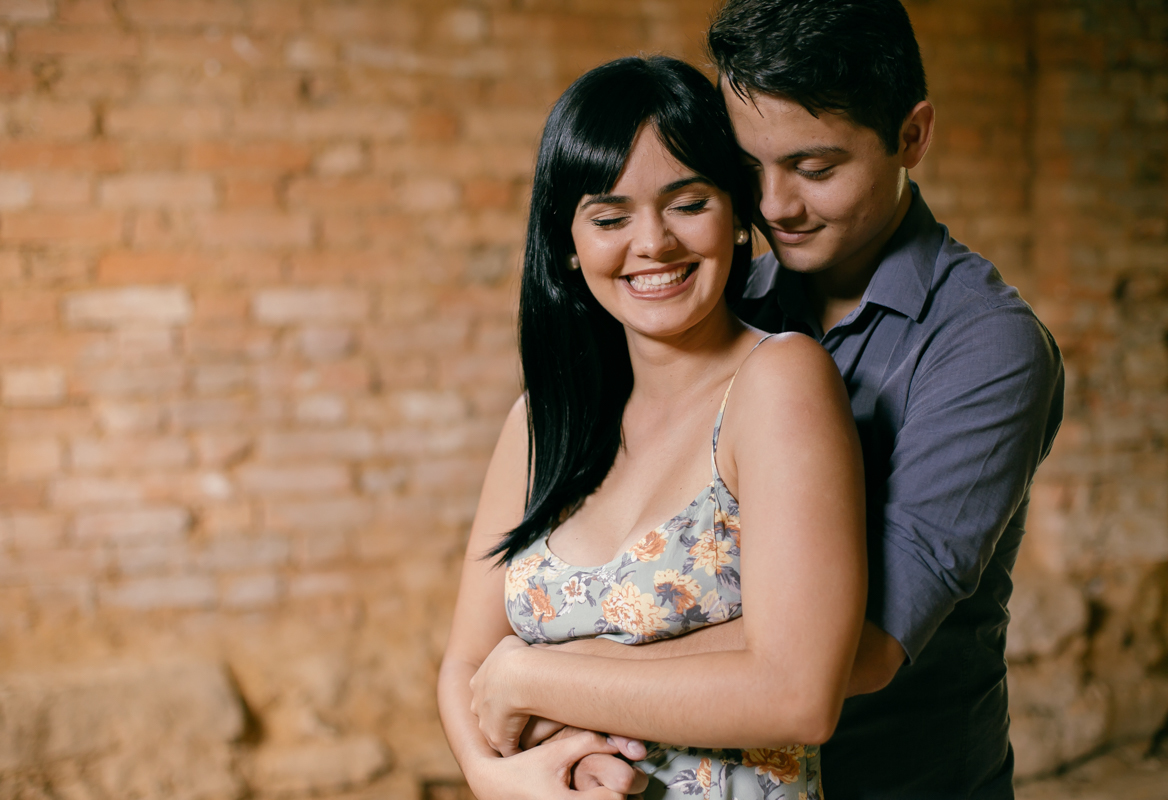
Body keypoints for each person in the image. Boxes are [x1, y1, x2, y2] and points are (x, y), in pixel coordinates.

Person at [469, 1, 1067, 798]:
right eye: (749, 172)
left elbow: (858, 647)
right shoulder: (713, 296)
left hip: (900, 779)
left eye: (815, 168)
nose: (776, 205)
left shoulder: (986, 347)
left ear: (912, 136)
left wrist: (549, 677)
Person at [437, 55, 869, 799]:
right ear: (570, 247)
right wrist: (493, 777)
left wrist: (535, 677)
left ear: (737, 216)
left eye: (688, 203)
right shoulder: (543, 421)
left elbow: (799, 695)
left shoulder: (779, 384)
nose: (654, 243)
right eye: (609, 218)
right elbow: (465, 667)